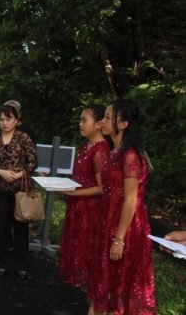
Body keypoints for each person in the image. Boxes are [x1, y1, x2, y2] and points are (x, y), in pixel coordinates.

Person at [87, 99, 156, 315]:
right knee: (102, 283)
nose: (103, 122)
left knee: (119, 286)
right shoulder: (115, 151)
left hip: (124, 229)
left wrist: (119, 239)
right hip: (107, 222)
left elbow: (131, 199)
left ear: (124, 124)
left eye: (108, 117)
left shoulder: (131, 156)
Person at [57, 104, 110, 289]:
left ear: (98, 124)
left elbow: (102, 188)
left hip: (90, 210)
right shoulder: (86, 146)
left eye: (84, 120)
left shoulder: (100, 151)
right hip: (77, 205)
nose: (80, 124)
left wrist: (71, 192)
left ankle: (92, 298)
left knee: (87, 250)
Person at [0, 105, 37, 280]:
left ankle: (22, 265)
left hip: (20, 190)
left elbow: (33, 162)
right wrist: (0, 172)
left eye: (9, 119)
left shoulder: (24, 138)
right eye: (1, 119)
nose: (5, 123)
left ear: (16, 120)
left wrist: (20, 173)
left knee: (21, 227)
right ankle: (2, 263)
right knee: (1, 227)